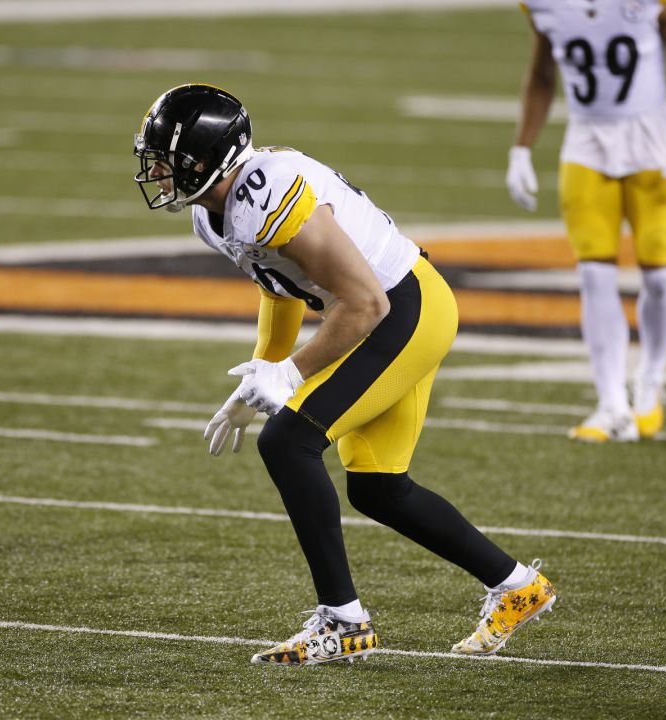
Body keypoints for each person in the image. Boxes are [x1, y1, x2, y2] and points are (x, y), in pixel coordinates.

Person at [132, 84, 555, 665]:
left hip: (403, 307)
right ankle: (518, 586)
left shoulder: (265, 193)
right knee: (379, 488)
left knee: (288, 443)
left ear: (213, 160)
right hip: (391, 307)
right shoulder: (216, 216)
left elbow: (364, 305)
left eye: (170, 160)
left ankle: (343, 620)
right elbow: (278, 288)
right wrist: (263, 369)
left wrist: (290, 372)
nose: (158, 171)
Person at [506, 0, 666, 441]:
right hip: (585, 146)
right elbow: (543, 74)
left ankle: (650, 380)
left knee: (659, 276)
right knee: (595, 276)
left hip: (651, 146)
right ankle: (611, 405)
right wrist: (521, 148)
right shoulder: (543, 6)